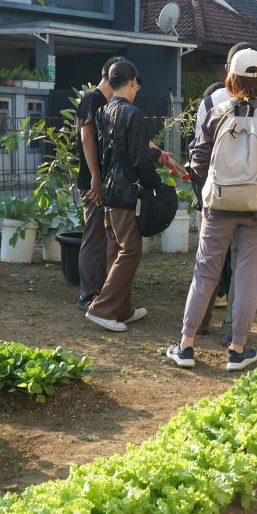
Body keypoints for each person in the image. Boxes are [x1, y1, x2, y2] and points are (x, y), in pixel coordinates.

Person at [167, 48, 257, 370]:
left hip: (218, 204)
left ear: (231, 77)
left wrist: (218, 180)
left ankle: (185, 346)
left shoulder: (217, 111)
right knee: (248, 277)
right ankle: (237, 350)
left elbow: (198, 159)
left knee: (205, 273)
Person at [84, 60, 164, 332]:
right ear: (131, 83)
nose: (137, 89)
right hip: (126, 192)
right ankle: (103, 308)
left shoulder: (103, 110)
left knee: (115, 250)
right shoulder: (132, 113)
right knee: (130, 250)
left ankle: (122, 309)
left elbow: (115, 152)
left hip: (108, 191)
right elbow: (139, 157)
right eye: (136, 85)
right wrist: (156, 183)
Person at [190, 42, 257, 343]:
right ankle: (234, 337)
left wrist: (206, 186)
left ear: (227, 70)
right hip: (253, 198)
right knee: (244, 269)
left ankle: (195, 330)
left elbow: (198, 154)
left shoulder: (211, 102)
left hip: (215, 194)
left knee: (207, 265)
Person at [74, 56, 122, 311]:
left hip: (103, 181)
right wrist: (95, 175)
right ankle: (88, 295)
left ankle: (100, 291)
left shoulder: (107, 103)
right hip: (93, 182)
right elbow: (86, 137)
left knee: (103, 237)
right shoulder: (93, 99)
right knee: (94, 237)